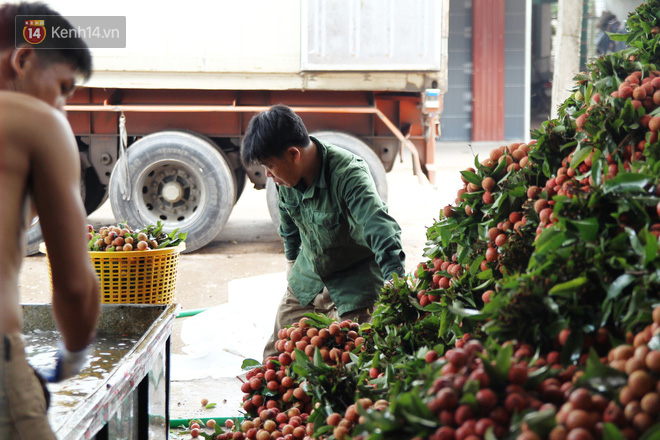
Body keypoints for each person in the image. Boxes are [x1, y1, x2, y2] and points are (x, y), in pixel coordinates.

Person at [0, 2, 100, 438]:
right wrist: (72, 355)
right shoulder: (38, 122)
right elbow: (76, 286)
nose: (61, 106)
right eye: (62, 87)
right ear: (22, 59)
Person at [241, 105, 406, 360]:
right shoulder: (285, 178)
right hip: (309, 277)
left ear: (294, 154)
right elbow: (288, 226)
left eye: (270, 166)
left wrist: (395, 281)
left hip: (354, 283)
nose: (268, 175)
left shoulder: (348, 174)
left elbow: (379, 227)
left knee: (347, 359)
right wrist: (292, 262)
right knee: (276, 356)